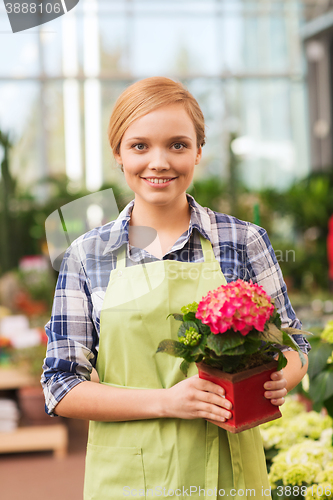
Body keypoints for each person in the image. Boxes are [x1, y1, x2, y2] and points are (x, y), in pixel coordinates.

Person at [41, 77, 310, 500]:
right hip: (128, 479)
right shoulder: (87, 255)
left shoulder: (242, 241)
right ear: (118, 154)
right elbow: (61, 387)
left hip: (230, 474)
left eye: (178, 145)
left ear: (199, 151)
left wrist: (283, 377)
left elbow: (293, 347)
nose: (160, 162)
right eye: (140, 146)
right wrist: (167, 402)